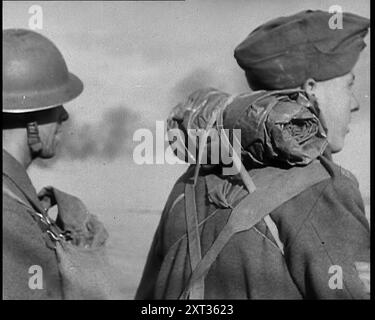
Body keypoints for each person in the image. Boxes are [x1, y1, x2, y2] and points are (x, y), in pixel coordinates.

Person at [135, 10, 370, 299]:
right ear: (311, 90)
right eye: (349, 85)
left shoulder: (189, 185)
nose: (356, 102)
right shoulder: (323, 189)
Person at [3, 29, 118, 300]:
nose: (64, 116)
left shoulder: (17, 199)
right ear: (31, 121)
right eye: (55, 106)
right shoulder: (14, 220)